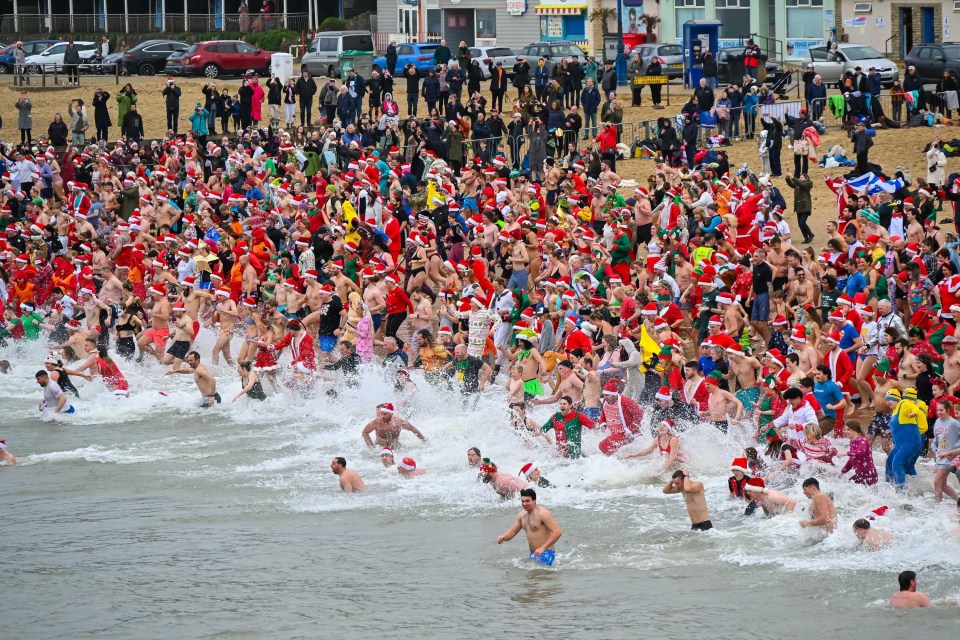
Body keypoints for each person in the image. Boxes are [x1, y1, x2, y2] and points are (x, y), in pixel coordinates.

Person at [497, 488, 562, 566]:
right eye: (522, 501)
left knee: (531, 571)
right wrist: (503, 537)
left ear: (534, 501)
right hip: (533, 554)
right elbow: (513, 532)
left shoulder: (543, 513)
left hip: (546, 552)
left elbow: (557, 532)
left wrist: (543, 548)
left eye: (527, 501)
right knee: (524, 572)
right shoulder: (522, 516)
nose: (524, 504)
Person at [361, 402, 426, 449]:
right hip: (380, 449)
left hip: (397, 449)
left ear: (391, 414)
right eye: (380, 414)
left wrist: (423, 439)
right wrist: (372, 448)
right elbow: (364, 432)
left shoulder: (399, 422)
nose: (381, 416)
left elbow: (413, 429)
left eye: (385, 414)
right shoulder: (376, 423)